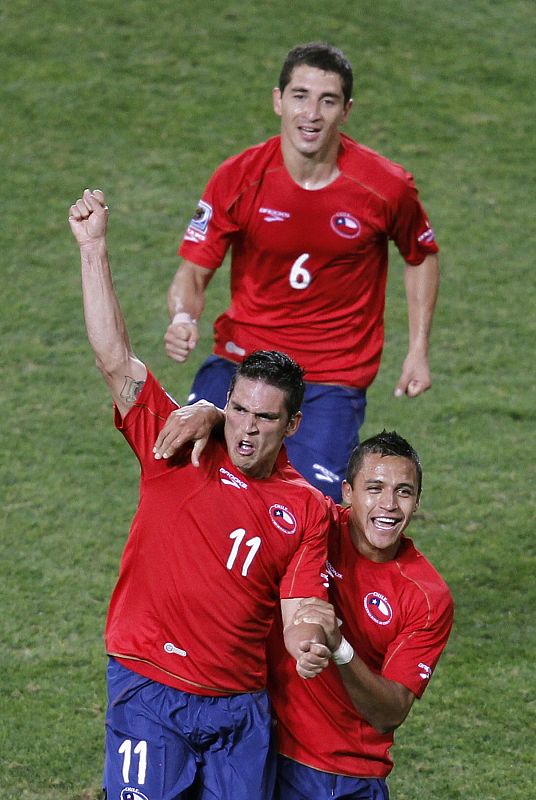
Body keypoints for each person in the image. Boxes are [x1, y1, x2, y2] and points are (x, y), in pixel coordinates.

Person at [68, 188, 333, 800]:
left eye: (265, 418)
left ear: (293, 425)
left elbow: (296, 616)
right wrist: (93, 248)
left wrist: (311, 643)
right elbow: (114, 358)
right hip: (149, 686)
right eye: (237, 409)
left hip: (239, 708)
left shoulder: (305, 510)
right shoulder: (175, 440)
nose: (246, 428)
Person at [164, 41, 440, 502]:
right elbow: (192, 273)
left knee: (309, 509)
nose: (311, 113)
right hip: (242, 361)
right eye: (300, 96)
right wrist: (182, 318)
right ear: (278, 100)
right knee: (184, 475)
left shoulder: (385, 186)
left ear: (346, 110)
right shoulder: (239, 177)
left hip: (331, 376)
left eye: (327, 100)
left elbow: (421, 254)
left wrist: (418, 349)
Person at [153, 421, 453, 799]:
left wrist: (340, 649)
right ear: (348, 492)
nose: (389, 505)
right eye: (374, 489)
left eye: (403, 492)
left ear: (418, 501)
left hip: (341, 776)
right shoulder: (312, 523)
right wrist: (215, 415)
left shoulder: (427, 597)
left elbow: (389, 712)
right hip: (256, 745)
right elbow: (264, 458)